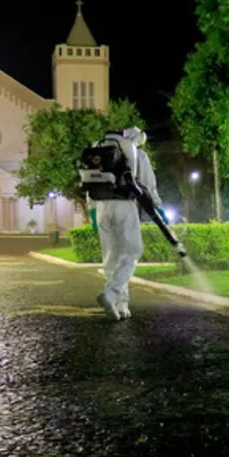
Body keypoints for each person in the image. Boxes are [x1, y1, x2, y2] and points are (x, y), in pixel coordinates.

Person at [89, 126, 164, 321]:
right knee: (131, 253)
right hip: (125, 205)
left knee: (111, 258)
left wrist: (92, 211)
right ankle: (111, 294)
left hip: (101, 207)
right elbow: (147, 184)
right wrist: (157, 206)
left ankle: (121, 306)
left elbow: (90, 180)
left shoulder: (96, 147)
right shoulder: (134, 150)